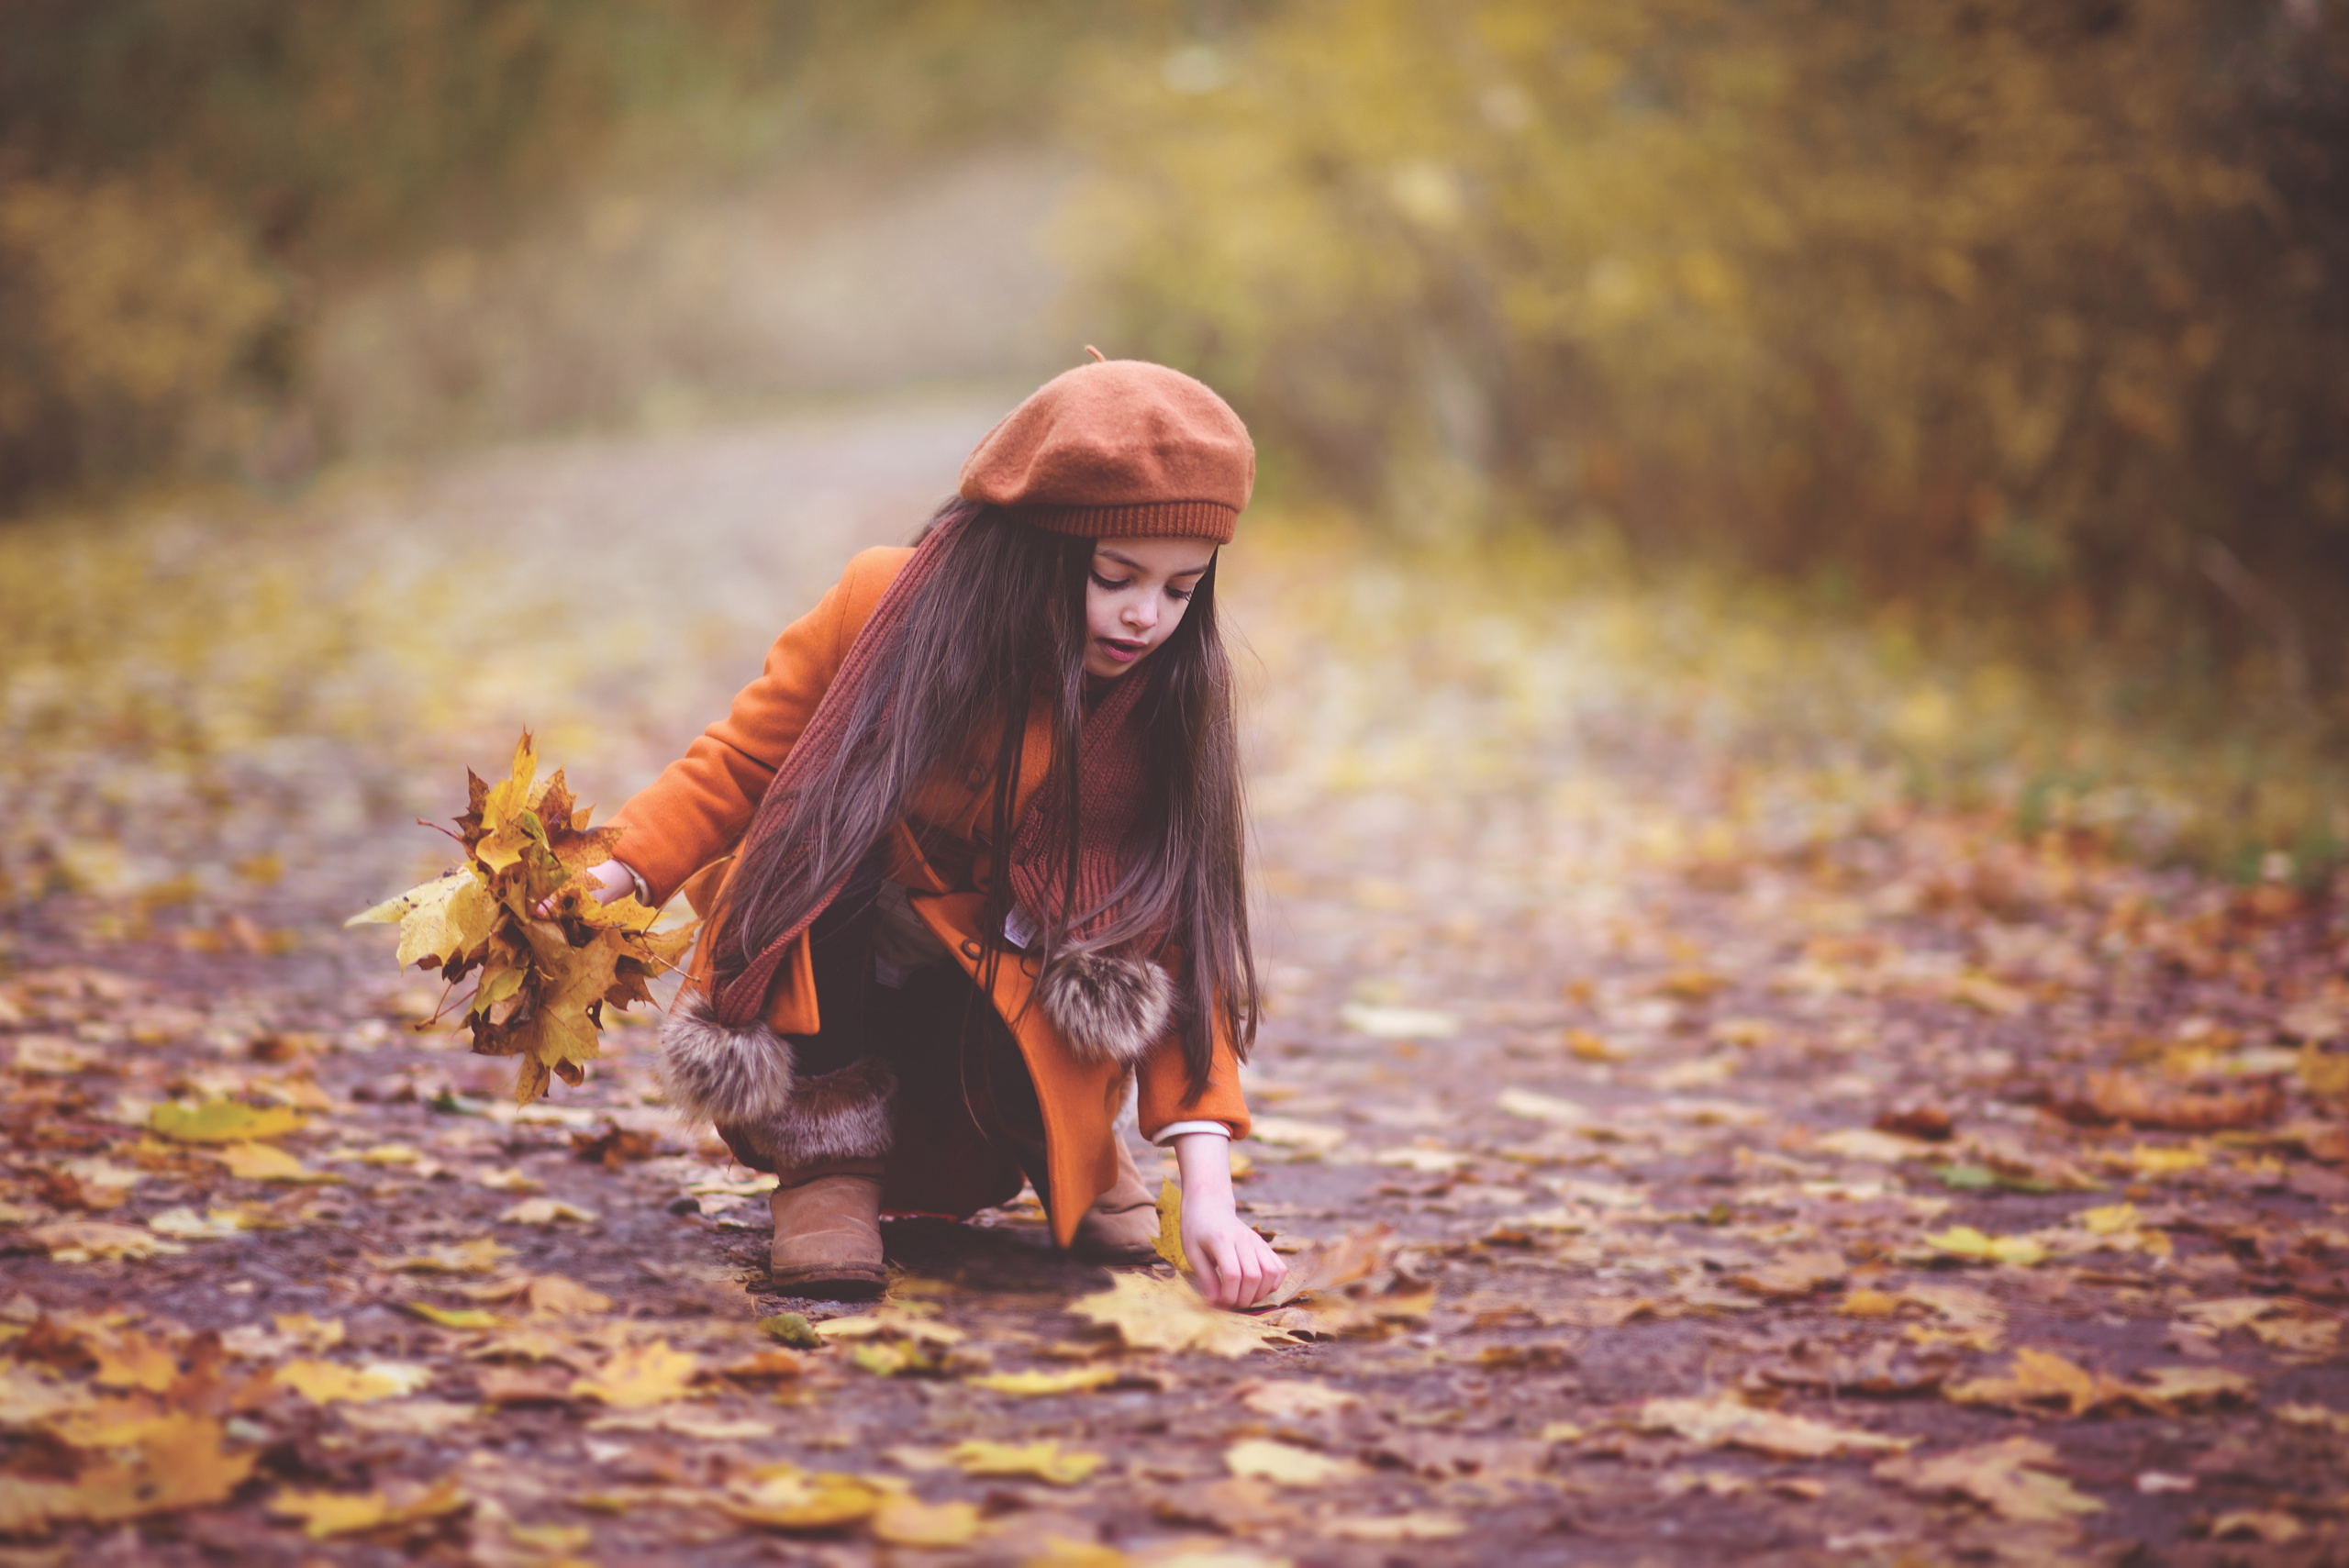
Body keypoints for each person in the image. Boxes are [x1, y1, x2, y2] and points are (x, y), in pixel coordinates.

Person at [575, 354, 1284, 1308]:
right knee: (825, 841)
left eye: (1179, 587)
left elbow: (1176, 942)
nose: (1144, 617)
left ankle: (1068, 1140)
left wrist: (1207, 1193)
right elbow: (744, 759)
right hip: (839, 975)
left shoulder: (1163, 704)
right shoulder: (884, 605)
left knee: (1067, 944)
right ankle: (828, 1168)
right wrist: (620, 865)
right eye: (1116, 575)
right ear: (1034, 547)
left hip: (995, 1010)